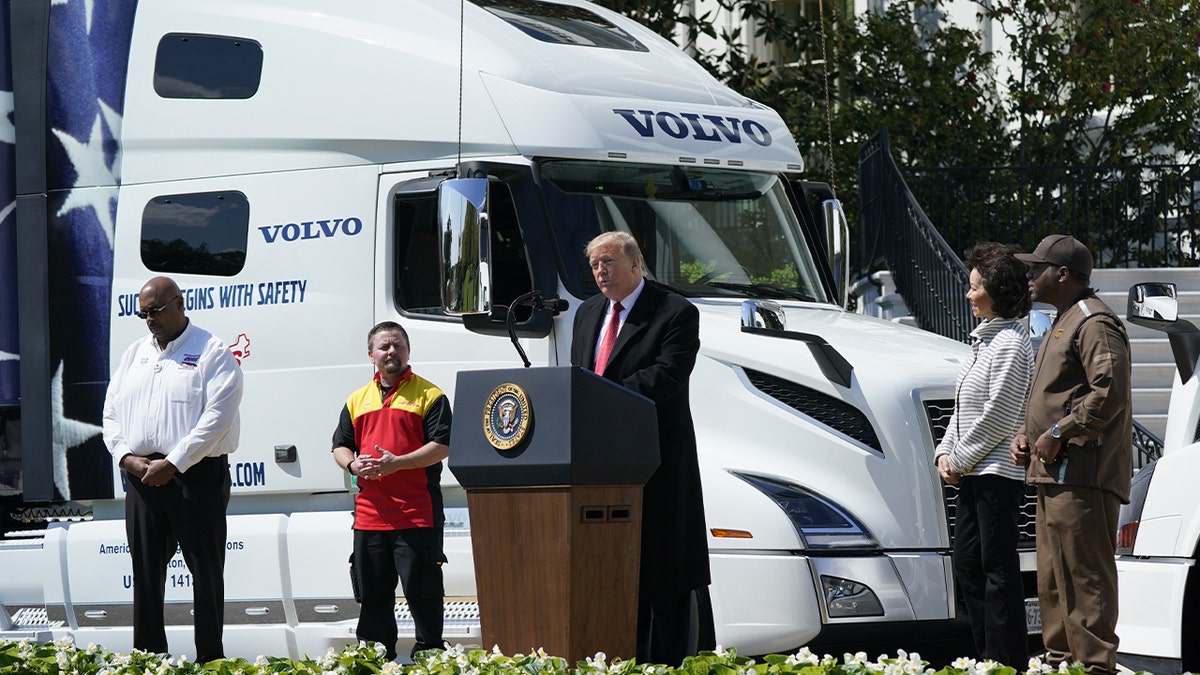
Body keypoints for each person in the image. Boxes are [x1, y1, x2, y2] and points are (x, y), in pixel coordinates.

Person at [569, 231, 712, 666]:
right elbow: (579, 374)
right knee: (610, 571)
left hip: (656, 462)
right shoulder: (587, 312)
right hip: (599, 465)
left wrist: (599, 396)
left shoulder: (674, 312)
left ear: (636, 263)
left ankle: (667, 662)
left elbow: (667, 376)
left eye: (608, 262)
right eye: (594, 265)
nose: (600, 272)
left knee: (663, 574)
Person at [102, 276, 244, 663]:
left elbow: (218, 416)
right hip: (142, 476)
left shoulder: (212, 350)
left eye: (156, 311)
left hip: (194, 476)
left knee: (206, 572)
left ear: (180, 303)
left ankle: (210, 661)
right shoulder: (134, 354)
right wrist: (125, 457)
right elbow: (110, 413)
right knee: (145, 573)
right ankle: (149, 659)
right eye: (142, 313)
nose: (149, 319)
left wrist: (175, 462)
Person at [1010, 234, 1132, 675]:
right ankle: (1060, 664)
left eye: (1036, 267)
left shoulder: (1094, 321)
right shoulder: (1063, 318)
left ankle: (1096, 667)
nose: (1028, 274)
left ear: (1062, 275)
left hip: (1082, 472)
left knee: (1085, 580)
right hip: (1054, 473)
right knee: (1052, 581)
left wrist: (1060, 431)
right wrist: (1027, 433)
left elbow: (1109, 391)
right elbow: (1056, 393)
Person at [934, 243, 1033, 667]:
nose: (969, 295)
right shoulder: (983, 342)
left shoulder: (1011, 343)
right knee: (968, 565)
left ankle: (1007, 661)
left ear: (998, 291)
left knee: (996, 569)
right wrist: (943, 452)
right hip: (974, 472)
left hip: (996, 476)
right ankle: (985, 658)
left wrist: (959, 459)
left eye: (976, 287)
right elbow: (962, 407)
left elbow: (999, 415)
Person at [332, 321, 451, 661]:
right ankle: (373, 661)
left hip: (417, 515)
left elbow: (441, 446)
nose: (391, 352)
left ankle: (431, 659)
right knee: (372, 601)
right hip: (370, 518)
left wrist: (396, 463)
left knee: (423, 596)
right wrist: (353, 465)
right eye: (384, 346)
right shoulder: (357, 400)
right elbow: (340, 446)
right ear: (371, 355)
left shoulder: (431, 395)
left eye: (398, 345)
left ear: (408, 350)